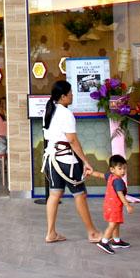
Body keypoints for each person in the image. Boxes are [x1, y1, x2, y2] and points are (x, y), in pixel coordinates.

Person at [43, 80, 100, 244]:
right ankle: (92, 233)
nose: (72, 95)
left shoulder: (50, 110)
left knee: (54, 194)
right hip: (66, 159)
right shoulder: (65, 113)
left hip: (51, 159)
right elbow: (73, 141)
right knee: (80, 194)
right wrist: (85, 161)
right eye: (70, 93)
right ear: (63, 97)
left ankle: (51, 233)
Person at [89, 154, 134, 254]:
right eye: (120, 168)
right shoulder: (118, 181)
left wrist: (90, 173)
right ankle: (104, 242)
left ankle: (116, 240)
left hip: (108, 205)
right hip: (114, 207)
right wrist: (128, 205)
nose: (123, 171)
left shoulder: (110, 176)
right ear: (112, 169)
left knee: (116, 222)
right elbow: (120, 194)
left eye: (124, 168)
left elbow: (99, 175)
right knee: (113, 224)